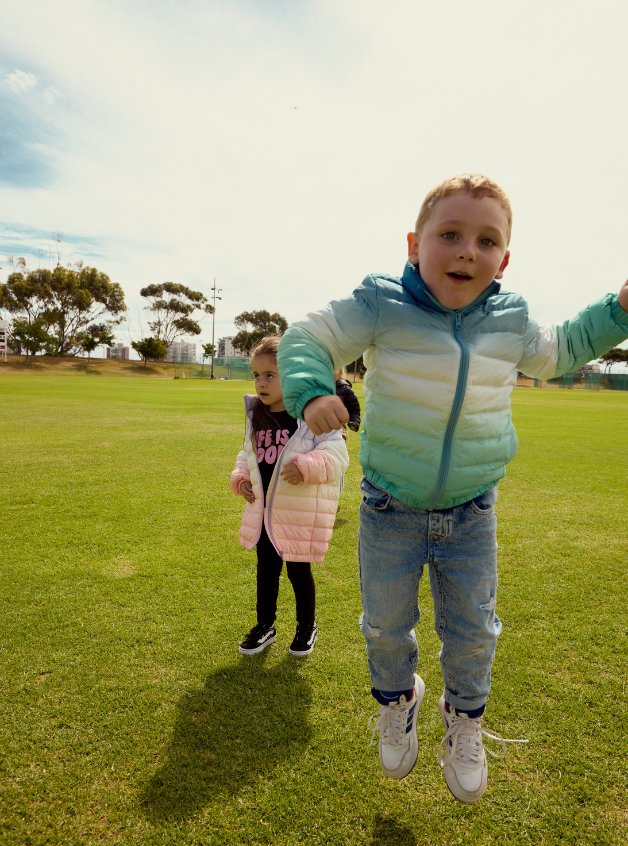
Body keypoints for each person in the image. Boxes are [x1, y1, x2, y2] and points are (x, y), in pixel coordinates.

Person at [277, 174, 628, 802]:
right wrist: (310, 391)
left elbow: (564, 348)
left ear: (505, 260)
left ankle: (464, 719)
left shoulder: (511, 318)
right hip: (391, 508)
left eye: (486, 240)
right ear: (415, 244)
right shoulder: (382, 304)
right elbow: (308, 336)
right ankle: (397, 700)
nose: (468, 250)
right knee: (385, 626)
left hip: (472, 511)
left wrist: (620, 309)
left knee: (473, 630)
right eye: (451, 235)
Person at [231, 335, 349, 658]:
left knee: (298, 571)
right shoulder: (257, 414)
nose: (261, 383)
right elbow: (247, 455)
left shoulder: (312, 413)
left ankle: (306, 626)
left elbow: (337, 456)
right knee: (266, 570)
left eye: (270, 375)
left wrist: (308, 467)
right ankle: (265, 625)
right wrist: (240, 478)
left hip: (296, 513)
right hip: (265, 512)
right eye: (256, 375)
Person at [334, 368, 361, 437]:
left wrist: (354, 422)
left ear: (340, 372)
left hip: (338, 431)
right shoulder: (316, 387)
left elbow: (354, 409)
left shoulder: (345, 389)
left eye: (334, 368)